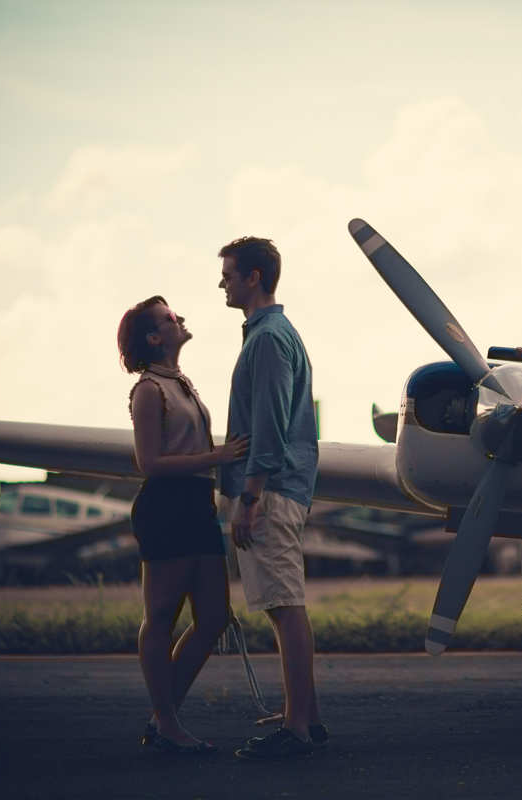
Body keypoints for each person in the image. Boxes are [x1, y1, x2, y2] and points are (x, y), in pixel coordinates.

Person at [117, 295, 249, 756]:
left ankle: (161, 718)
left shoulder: (180, 382)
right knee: (161, 617)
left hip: (197, 507)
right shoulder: (149, 389)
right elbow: (149, 462)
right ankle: (169, 723)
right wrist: (218, 457)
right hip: (168, 507)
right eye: (172, 317)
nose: (182, 319)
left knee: (213, 616)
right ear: (155, 338)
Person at [217, 237, 324, 761]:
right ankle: (308, 718)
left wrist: (249, 497)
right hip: (281, 489)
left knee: (284, 606)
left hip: (270, 492)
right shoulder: (274, 334)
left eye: (229, 274)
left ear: (254, 278)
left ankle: (297, 727)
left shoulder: (266, 340)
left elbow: (270, 426)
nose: (223, 283)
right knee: (285, 604)